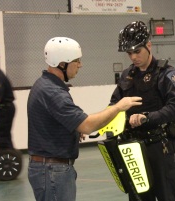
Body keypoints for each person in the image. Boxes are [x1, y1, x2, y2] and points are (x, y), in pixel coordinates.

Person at [27, 37, 142, 201]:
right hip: (53, 171)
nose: (80, 65)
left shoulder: (45, 85)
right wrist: (118, 107)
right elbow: (87, 125)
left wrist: (72, 131)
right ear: (62, 63)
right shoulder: (53, 92)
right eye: (76, 60)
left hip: (49, 168)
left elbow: (54, 121)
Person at [110, 21, 175, 201]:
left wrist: (146, 118)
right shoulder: (127, 76)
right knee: (138, 197)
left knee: (169, 196)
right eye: (129, 53)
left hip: (162, 148)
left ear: (149, 46)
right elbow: (114, 104)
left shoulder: (167, 74)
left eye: (137, 51)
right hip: (134, 149)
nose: (133, 57)